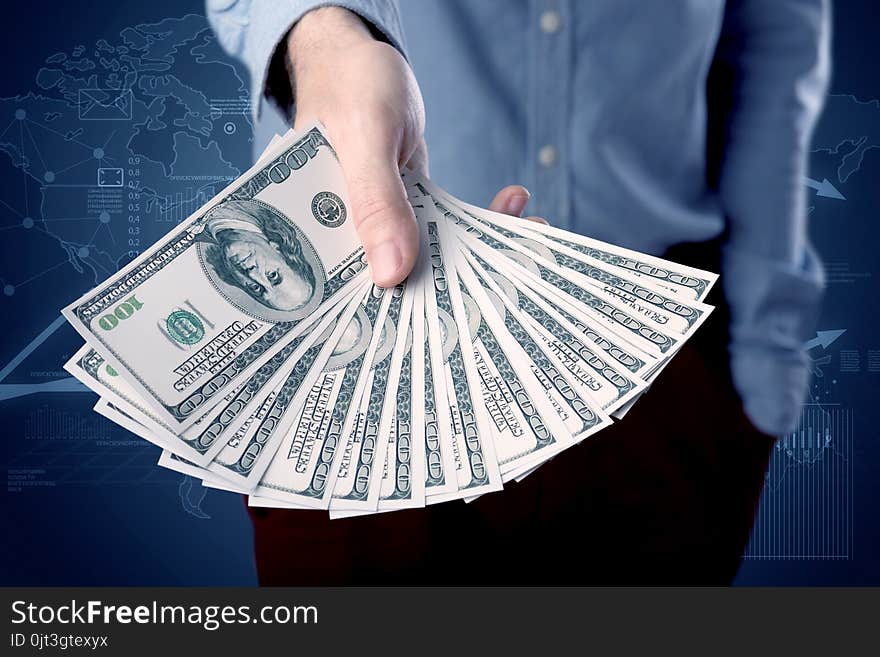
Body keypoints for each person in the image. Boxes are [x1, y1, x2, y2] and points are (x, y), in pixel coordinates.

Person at [206, 0, 829, 584]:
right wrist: (326, 40)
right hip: (352, 364)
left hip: (657, 363)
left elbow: (773, 48)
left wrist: (760, 372)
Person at [201, 198, 317, 313]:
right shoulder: (246, 197)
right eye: (272, 275)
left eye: (256, 288)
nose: (252, 274)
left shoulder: (196, 236)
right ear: (278, 249)